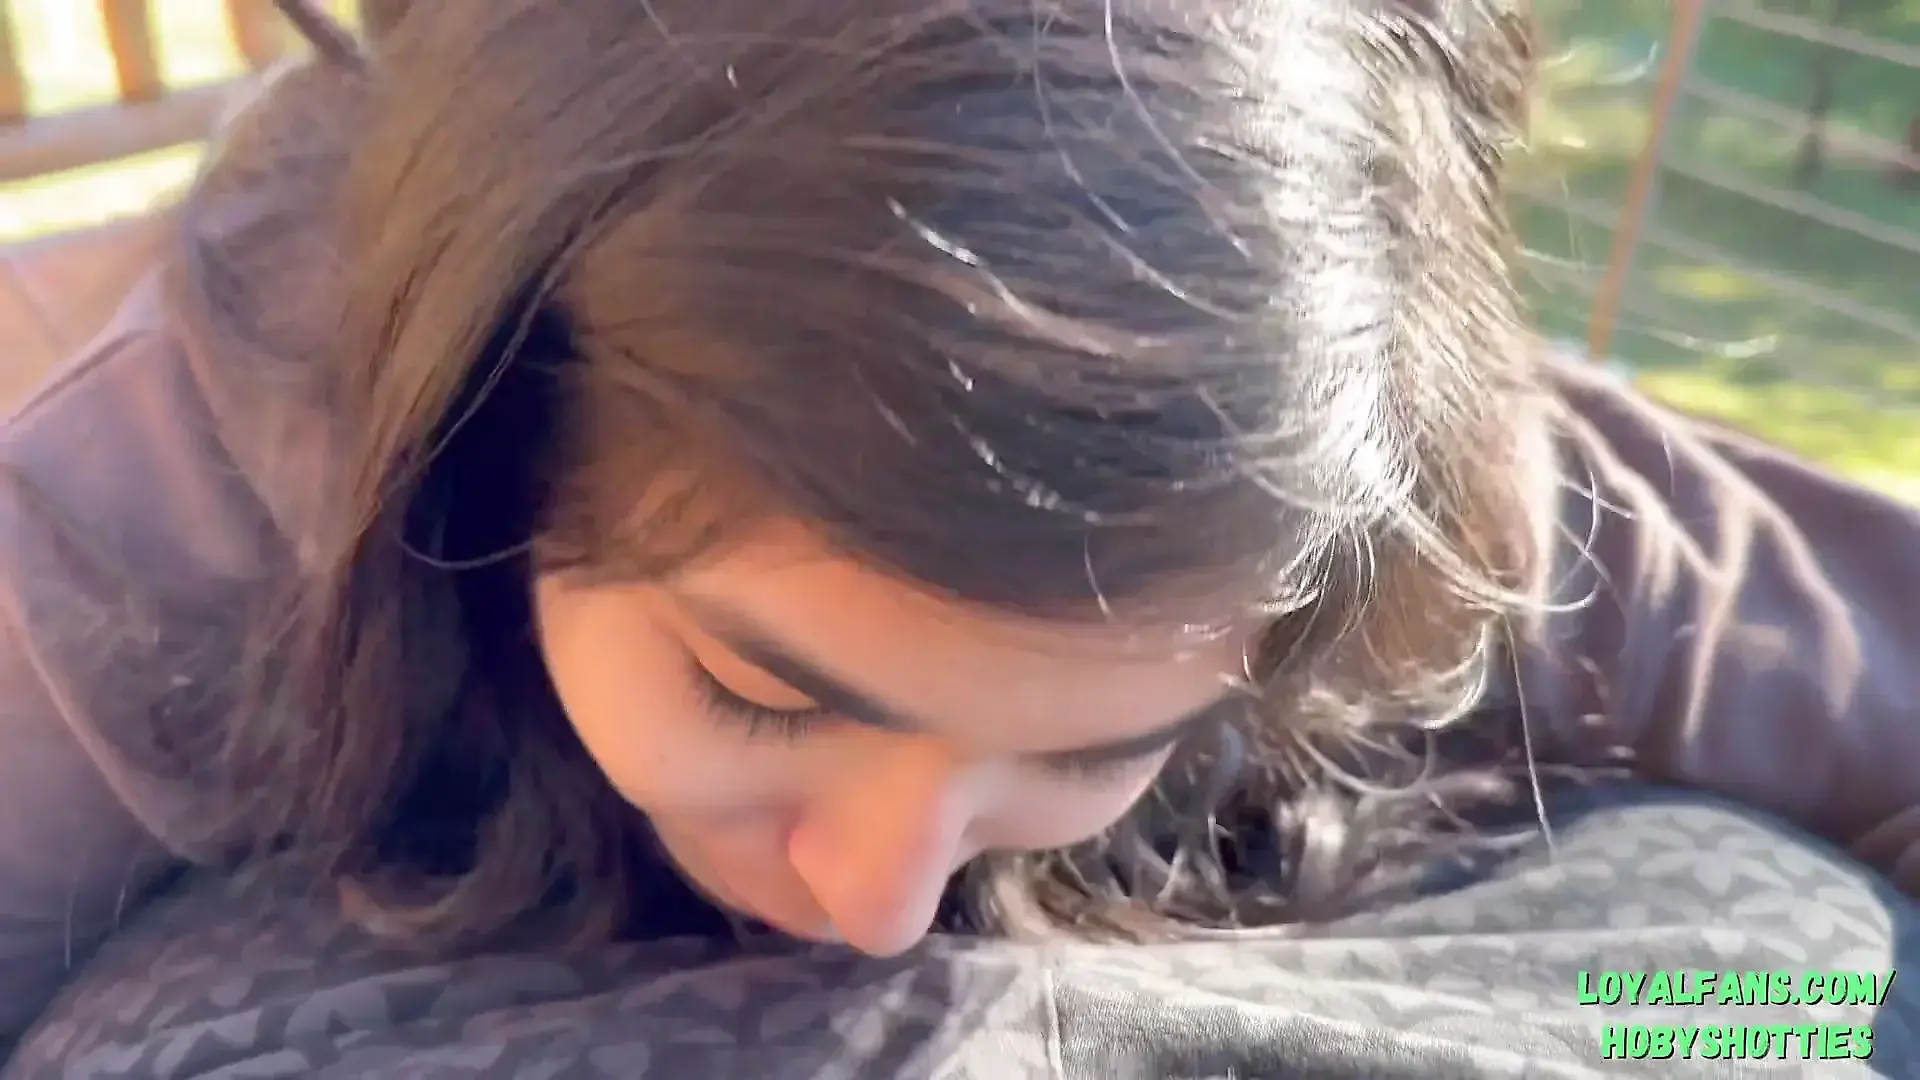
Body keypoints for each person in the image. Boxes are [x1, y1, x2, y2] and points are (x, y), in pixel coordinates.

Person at [1, 0, 1916, 1050]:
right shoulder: (114, 542)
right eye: (760, 694)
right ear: (497, 438)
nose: (883, 904)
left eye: (1088, 747)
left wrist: (1707, 1024)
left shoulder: (1387, 476)